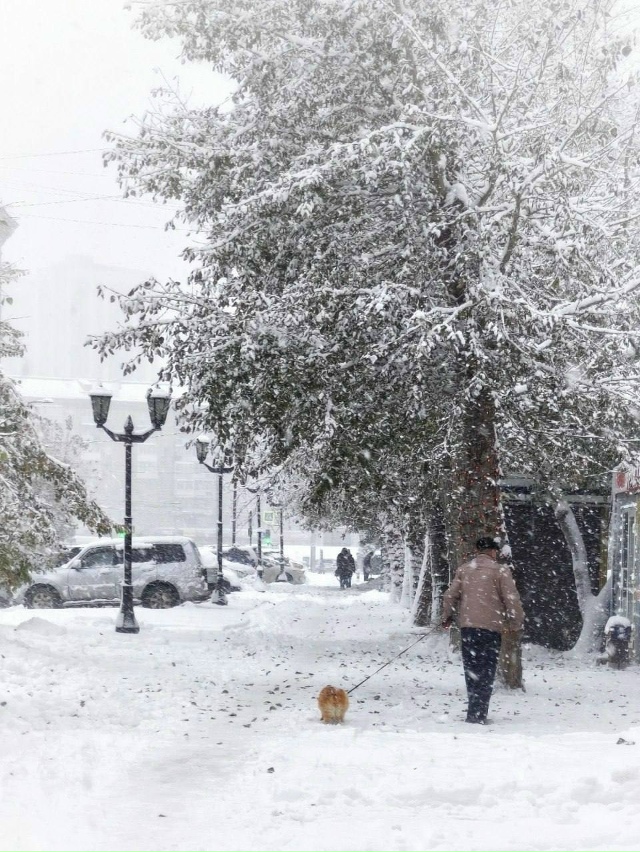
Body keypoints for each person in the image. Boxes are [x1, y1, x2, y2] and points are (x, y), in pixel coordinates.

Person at [441, 535, 524, 725]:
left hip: (468, 627)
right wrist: (515, 622)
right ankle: (480, 713)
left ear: (477, 551)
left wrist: (446, 617)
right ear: (494, 551)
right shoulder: (501, 572)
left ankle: (473, 710)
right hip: (491, 628)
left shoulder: (464, 570)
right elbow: (512, 599)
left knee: (471, 669)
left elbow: (449, 596)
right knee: (487, 670)